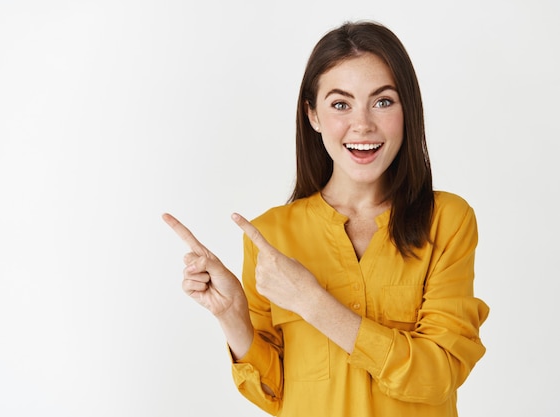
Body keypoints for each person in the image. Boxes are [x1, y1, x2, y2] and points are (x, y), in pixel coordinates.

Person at [162, 20, 489, 416]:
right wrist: (232, 319)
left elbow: (439, 375)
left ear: (408, 110)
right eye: (340, 104)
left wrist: (313, 303)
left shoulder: (447, 220)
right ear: (312, 115)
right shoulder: (271, 235)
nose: (363, 123)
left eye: (383, 101)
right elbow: (274, 392)